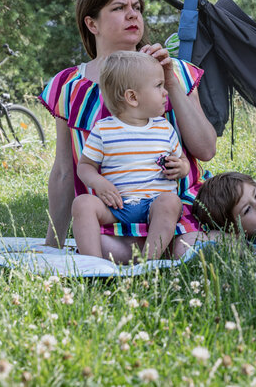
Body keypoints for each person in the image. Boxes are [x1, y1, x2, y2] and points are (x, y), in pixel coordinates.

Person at [40, 0, 216, 262]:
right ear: (91, 23)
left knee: (188, 247)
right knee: (107, 251)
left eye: (137, 7)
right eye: (119, 8)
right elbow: (63, 171)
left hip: (175, 208)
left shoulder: (175, 71)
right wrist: (52, 246)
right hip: (111, 216)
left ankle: (170, 248)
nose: (133, 15)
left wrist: (170, 82)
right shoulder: (68, 86)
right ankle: (140, 258)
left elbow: (206, 150)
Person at [72, 51, 190, 260]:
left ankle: (148, 261)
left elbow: (183, 161)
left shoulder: (164, 128)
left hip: (155, 204)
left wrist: (181, 168)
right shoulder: (104, 130)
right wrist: (98, 183)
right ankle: (93, 265)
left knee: (171, 202)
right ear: (132, 97)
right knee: (82, 203)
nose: (165, 92)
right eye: (158, 86)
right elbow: (85, 166)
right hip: (118, 205)